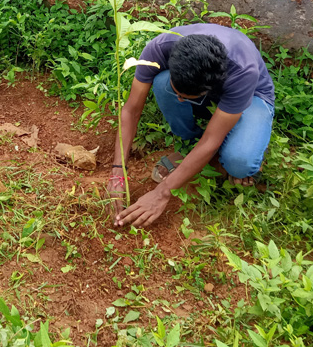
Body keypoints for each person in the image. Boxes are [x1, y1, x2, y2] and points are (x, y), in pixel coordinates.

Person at [108, 23, 276, 228]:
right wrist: (117, 173)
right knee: (162, 84)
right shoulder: (159, 48)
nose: (179, 100)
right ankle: (192, 146)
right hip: (209, 93)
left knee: (240, 163)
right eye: (178, 93)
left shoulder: (242, 70)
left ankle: (227, 155)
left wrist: (162, 192)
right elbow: (131, 110)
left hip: (253, 96)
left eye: (186, 97)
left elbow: (211, 140)